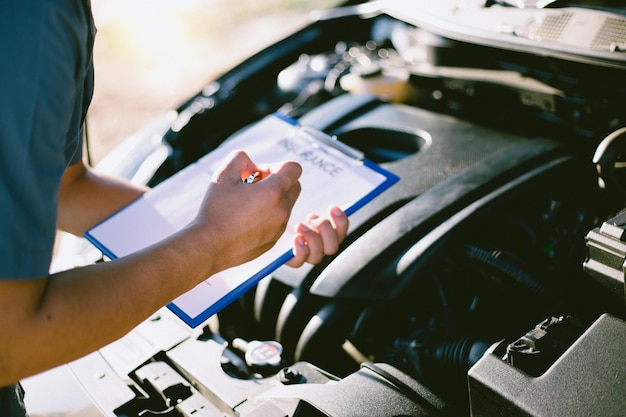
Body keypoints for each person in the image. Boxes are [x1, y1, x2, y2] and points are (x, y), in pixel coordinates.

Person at [0, 1, 348, 415]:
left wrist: (253, 235)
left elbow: (65, 188)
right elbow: (11, 340)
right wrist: (213, 241)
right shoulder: (32, 18)